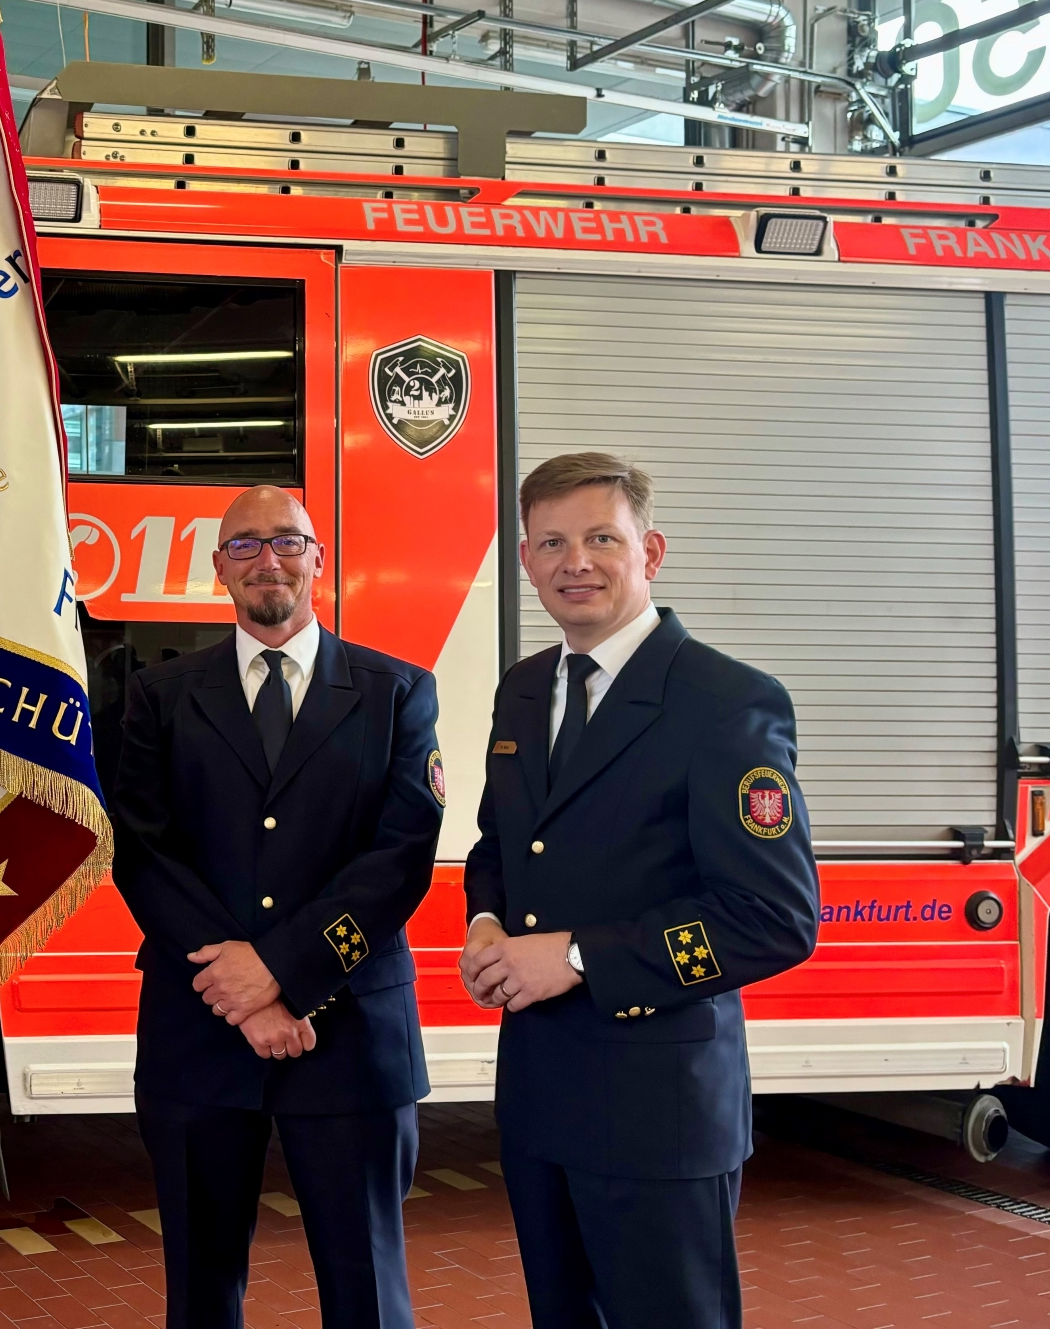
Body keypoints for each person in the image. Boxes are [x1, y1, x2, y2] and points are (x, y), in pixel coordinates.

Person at [459, 452, 820, 1329]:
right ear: (525, 560)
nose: (573, 561)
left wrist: (580, 956)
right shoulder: (521, 690)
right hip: (542, 1095)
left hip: (659, 1113)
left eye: (599, 538)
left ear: (649, 551)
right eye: (551, 542)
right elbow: (500, 844)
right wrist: (485, 921)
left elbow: (774, 918)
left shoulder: (726, 702)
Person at [112, 484, 444, 1329]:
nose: (270, 559)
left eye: (289, 542)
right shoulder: (158, 695)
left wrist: (288, 980)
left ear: (319, 560)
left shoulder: (397, 692)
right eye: (247, 545)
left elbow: (399, 859)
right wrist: (243, 988)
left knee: (367, 1289)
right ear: (219, 568)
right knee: (199, 1286)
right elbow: (142, 853)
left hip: (350, 1035)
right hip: (201, 1031)